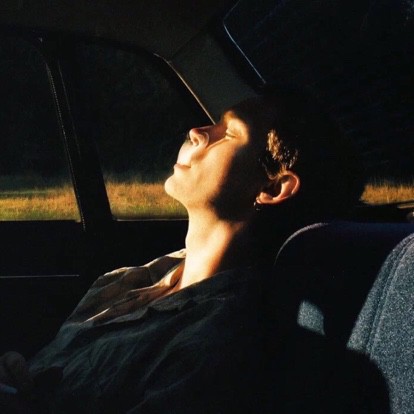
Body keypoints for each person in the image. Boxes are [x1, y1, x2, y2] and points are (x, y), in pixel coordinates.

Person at [0, 86, 365, 413]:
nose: (197, 132)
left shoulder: (219, 342)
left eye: (229, 133)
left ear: (273, 188)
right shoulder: (129, 280)